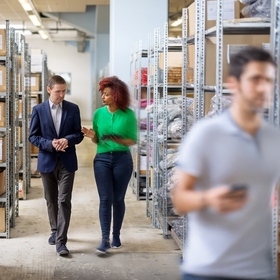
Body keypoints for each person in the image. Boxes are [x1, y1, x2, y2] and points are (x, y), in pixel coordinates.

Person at [172, 47, 279, 280]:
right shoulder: (206, 134)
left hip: (259, 271)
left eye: (269, 80)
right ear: (234, 85)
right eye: (255, 79)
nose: (264, 88)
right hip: (208, 270)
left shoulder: (274, 139)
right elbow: (179, 200)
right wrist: (207, 199)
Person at [29, 75, 84, 256]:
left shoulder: (73, 109)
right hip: (47, 160)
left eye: (64, 91)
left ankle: (61, 241)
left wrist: (66, 140)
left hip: (67, 161)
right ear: (49, 90)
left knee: (64, 200)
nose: (61, 95)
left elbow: (78, 134)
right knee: (51, 200)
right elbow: (33, 137)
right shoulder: (38, 110)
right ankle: (55, 229)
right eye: (58, 91)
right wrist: (50, 144)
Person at [82, 76, 137, 254]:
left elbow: (132, 140)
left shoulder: (128, 114)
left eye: (106, 94)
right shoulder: (99, 114)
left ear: (116, 95)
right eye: (102, 94)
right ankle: (105, 238)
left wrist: (116, 138)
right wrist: (92, 137)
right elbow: (97, 139)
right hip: (102, 159)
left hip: (123, 160)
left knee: (118, 199)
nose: (103, 97)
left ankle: (116, 235)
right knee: (105, 199)